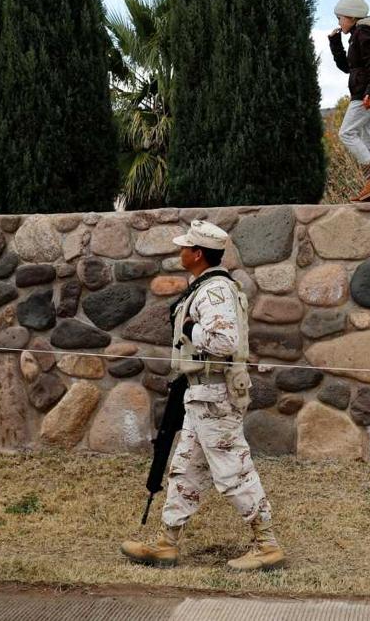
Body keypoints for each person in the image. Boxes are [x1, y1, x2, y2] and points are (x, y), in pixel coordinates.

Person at [120, 220, 284, 572]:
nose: (179, 252)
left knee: (233, 470)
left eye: (184, 247)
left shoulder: (214, 291)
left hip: (214, 394)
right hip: (201, 395)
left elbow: (225, 342)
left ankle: (267, 545)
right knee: (185, 471)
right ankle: (167, 543)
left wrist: (191, 328)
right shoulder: (207, 287)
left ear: (197, 254)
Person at [327, 0, 370, 202]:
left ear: (351, 16)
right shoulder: (358, 35)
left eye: (340, 18)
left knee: (347, 133)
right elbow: (349, 67)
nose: (339, 22)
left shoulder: (364, 34)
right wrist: (336, 43)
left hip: (368, 92)